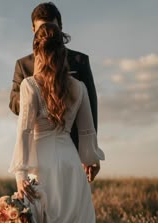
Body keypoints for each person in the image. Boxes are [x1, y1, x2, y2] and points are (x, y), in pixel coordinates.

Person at [7, 23, 105, 223]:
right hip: (69, 165)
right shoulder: (79, 88)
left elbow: (23, 133)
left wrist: (21, 175)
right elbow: (87, 133)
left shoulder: (30, 86)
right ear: (63, 53)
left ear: (37, 53)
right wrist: (90, 161)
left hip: (41, 165)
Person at [9, 2, 100, 183]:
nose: (48, 33)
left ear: (61, 28)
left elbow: (91, 105)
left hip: (71, 146)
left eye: (53, 28)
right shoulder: (23, 65)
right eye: (42, 28)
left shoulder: (79, 60)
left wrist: (89, 153)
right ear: (33, 30)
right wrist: (37, 93)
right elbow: (13, 102)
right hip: (36, 149)